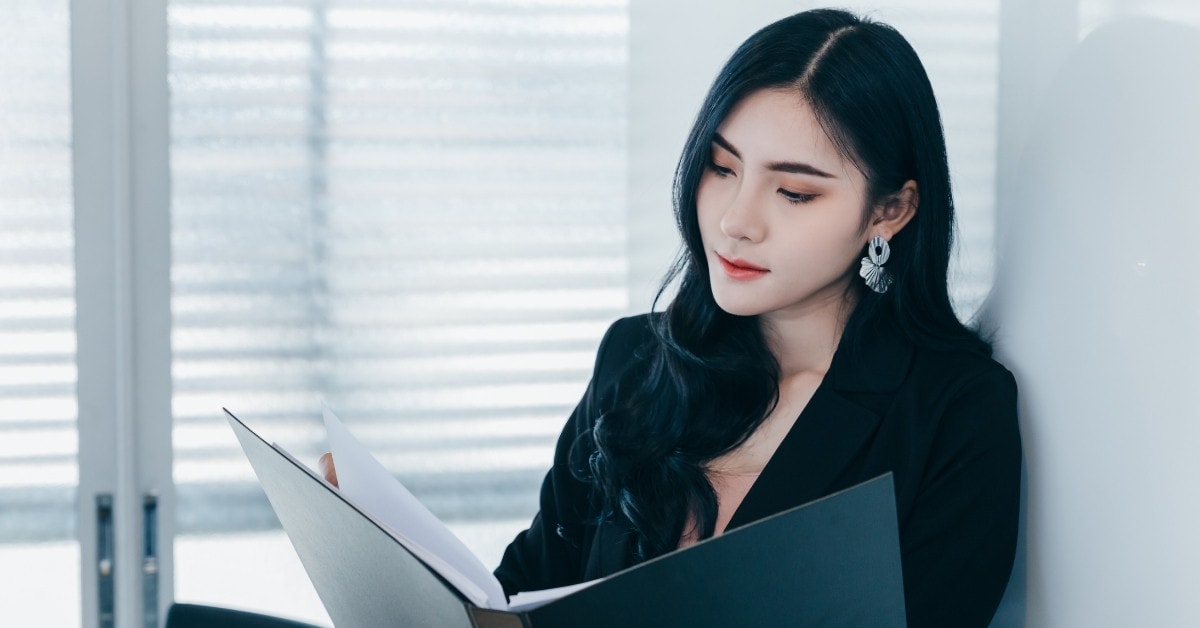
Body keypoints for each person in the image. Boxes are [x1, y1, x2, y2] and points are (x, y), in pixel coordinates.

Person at [324, 8, 1020, 627]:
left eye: (794, 193)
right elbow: (522, 592)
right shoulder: (635, 360)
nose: (736, 221)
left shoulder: (954, 412)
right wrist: (380, 555)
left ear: (889, 210)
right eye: (721, 169)